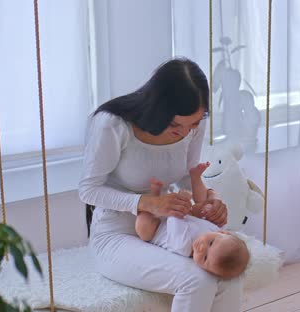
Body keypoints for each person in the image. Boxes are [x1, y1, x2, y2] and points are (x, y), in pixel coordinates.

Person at [79, 58, 242, 312]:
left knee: (228, 276)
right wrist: (147, 203)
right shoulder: (113, 125)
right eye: (176, 125)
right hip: (116, 233)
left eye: (195, 124)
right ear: (157, 108)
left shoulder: (192, 125)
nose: (186, 132)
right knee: (196, 281)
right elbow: (88, 190)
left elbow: (188, 175)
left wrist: (210, 198)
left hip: (170, 228)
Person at [135, 177, 250, 279]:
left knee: (143, 228)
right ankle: (196, 177)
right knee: (198, 208)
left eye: (205, 258)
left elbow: (174, 219)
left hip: (157, 228)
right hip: (184, 220)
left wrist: (182, 200)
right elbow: (209, 221)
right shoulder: (215, 231)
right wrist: (208, 210)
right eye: (211, 243)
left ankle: (154, 194)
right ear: (224, 233)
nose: (201, 248)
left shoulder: (184, 246)